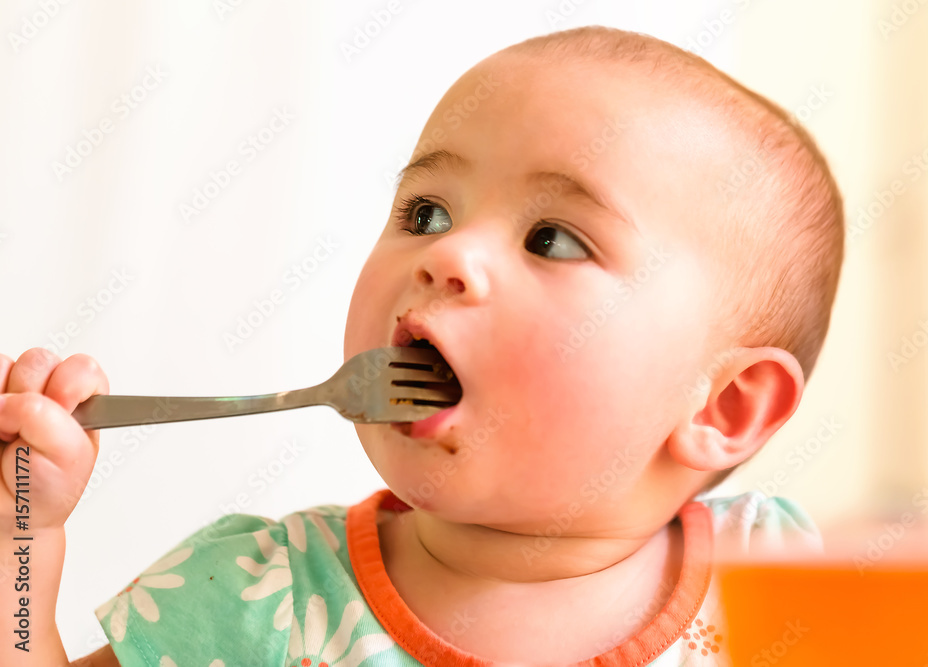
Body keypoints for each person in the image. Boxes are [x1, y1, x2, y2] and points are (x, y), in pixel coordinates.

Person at [0, 25, 842, 666]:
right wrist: (18, 545)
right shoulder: (261, 598)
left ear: (726, 405)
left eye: (550, 239)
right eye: (427, 213)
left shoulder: (780, 585)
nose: (446, 255)